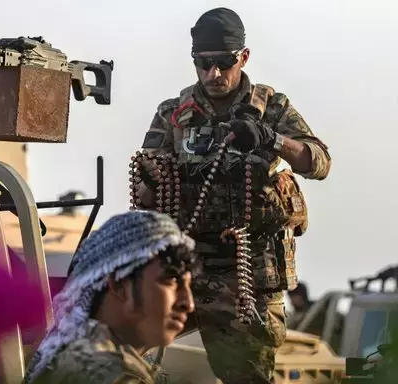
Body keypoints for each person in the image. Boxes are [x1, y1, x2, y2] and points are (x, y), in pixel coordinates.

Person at [132, 7, 332, 383]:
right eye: (203, 64)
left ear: (243, 57)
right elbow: (145, 184)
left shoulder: (270, 106)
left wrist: (271, 139)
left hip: (248, 276)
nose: (214, 74)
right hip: (185, 269)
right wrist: (153, 178)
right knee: (118, 351)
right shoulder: (174, 114)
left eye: (224, 63)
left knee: (247, 376)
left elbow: (318, 162)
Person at [23, 210, 197, 384]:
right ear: (119, 285)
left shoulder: (64, 356)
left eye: (188, 285)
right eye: (171, 280)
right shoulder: (113, 375)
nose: (188, 304)